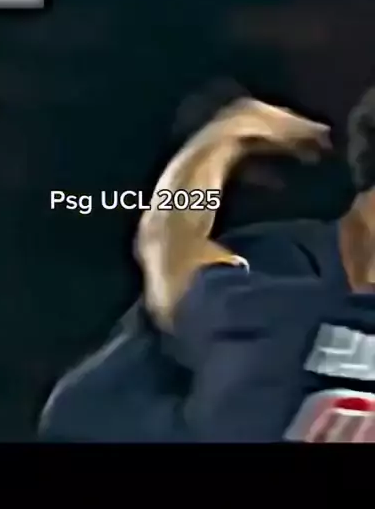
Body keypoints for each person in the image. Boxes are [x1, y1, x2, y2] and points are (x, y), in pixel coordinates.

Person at [39, 85, 375, 443]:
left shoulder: (278, 311)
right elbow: (168, 245)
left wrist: (226, 137)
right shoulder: (276, 286)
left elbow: (167, 240)